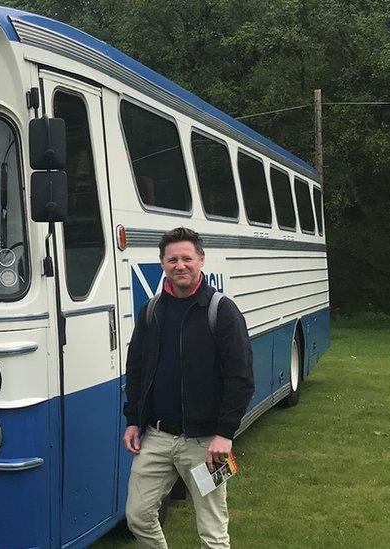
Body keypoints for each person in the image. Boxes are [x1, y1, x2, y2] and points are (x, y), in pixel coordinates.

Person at [122, 227, 254, 549]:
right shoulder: (152, 311)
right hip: (157, 439)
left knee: (212, 530)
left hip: (206, 443)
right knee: (137, 516)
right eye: (172, 259)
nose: (180, 265)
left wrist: (225, 433)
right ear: (162, 264)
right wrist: (133, 421)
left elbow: (241, 377)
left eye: (186, 258)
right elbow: (136, 370)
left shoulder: (221, 310)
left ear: (201, 261)